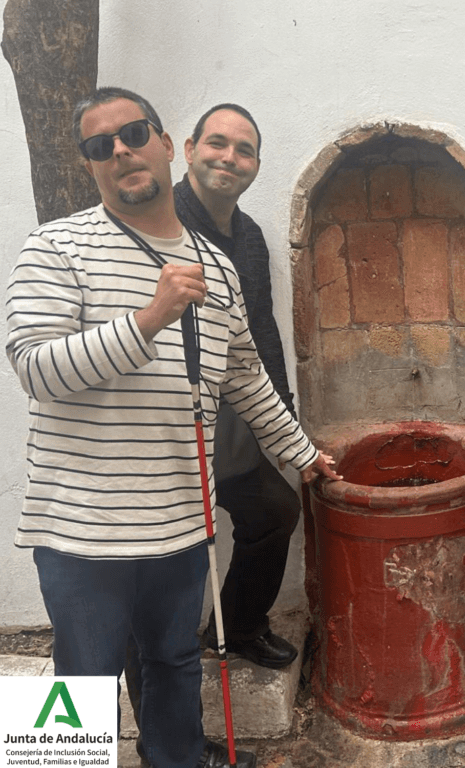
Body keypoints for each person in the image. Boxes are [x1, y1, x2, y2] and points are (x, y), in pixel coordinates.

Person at [5, 87, 340, 768]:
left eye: (133, 133)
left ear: (164, 143)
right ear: (89, 164)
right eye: (101, 145)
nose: (121, 150)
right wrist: (149, 320)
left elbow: (244, 375)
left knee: (174, 664)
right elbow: (37, 370)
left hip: (180, 523)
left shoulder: (218, 265)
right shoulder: (54, 246)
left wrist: (304, 455)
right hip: (82, 532)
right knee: (81, 686)